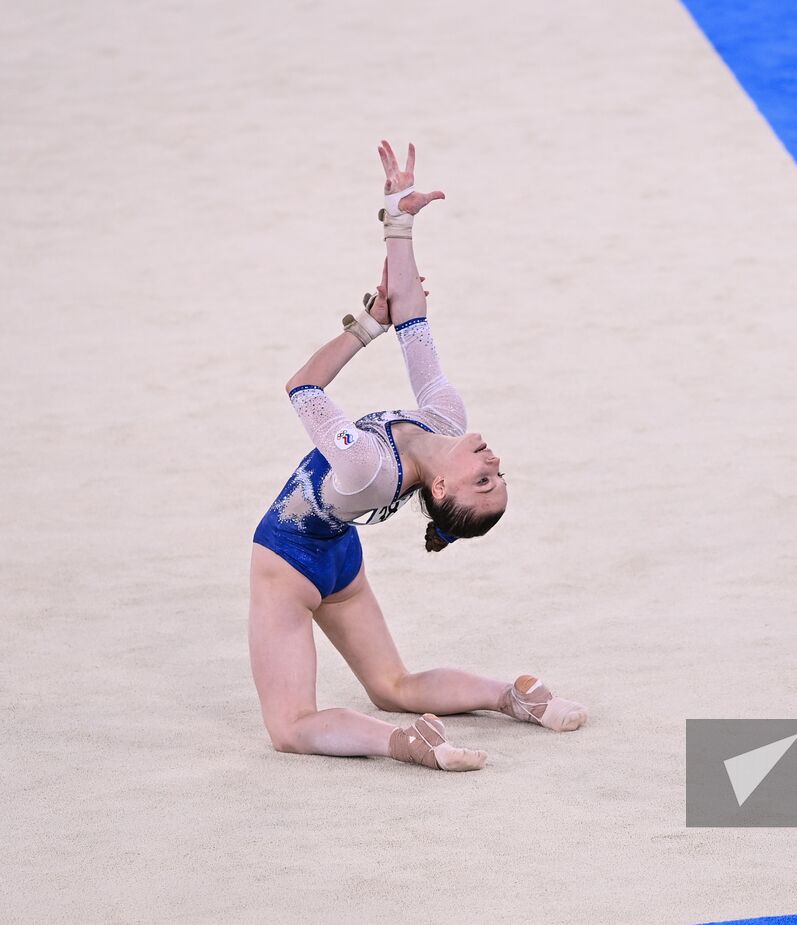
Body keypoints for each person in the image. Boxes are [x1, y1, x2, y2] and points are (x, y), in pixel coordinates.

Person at [247, 140, 586, 772]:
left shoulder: (366, 468)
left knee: (289, 728)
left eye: (483, 480)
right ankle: (513, 696)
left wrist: (360, 330)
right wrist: (398, 221)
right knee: (392, 685)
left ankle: (401, 742)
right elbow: (414, 318)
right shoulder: (443, 416)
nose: (492, 461)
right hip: (339, 559)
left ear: (441, 492)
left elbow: (303, 388)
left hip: (285, 564)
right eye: (499, 475)